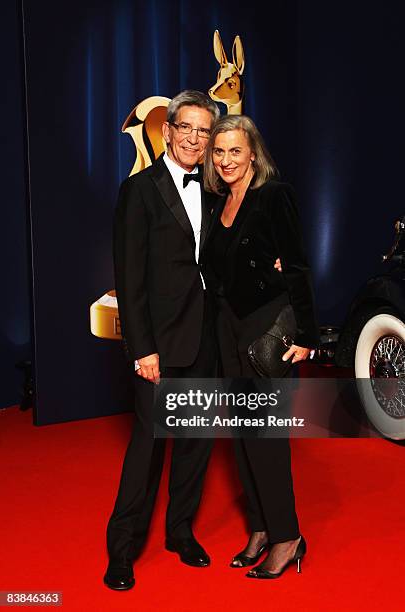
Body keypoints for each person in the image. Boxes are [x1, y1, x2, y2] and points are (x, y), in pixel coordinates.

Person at [104, 90, 220, 590]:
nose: (195, 138)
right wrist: (142, 348)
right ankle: (122, 548)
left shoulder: (216, 190)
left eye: (204, 130)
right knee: (149, 446)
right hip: (160, 344)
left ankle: (180, 533)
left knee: (195, 443)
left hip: (208, 338)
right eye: (187, 127)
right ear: (167, 131)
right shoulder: (140, 190)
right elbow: (129, 280)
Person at [202, 115, 319, 579]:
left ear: (253, 153)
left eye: (235, 150)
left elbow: (298, 268)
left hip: (266, 328)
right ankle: (258, 527)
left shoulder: (275, 196)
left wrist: (308, 337)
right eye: (219, 152)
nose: (227, 160)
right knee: (242, 437)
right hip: (227, 328)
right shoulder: (218, 202)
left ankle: (287, 536)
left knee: (266, 439)